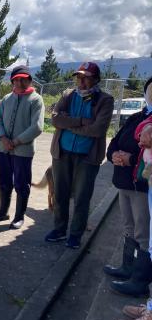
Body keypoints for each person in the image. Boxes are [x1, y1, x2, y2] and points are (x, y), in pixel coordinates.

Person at [45, 62, 114, 249]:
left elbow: (98, 129)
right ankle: (59, 230)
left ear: (95, 80)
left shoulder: (105, 100)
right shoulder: (68, 95)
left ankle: (75, 235)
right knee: (60, 194)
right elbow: (56, 118)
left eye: (86, 78)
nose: (81, 81)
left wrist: (69, 125)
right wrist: (82, 122)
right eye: (79, 77)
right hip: (62, 153)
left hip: (87, 158)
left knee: (82, 197)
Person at [103, 76, 151, 294]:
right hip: (124, 182)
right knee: (128, 226)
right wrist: (114, 154)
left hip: (142, 186)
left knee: (143, 232)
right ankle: (127, 268)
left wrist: (129, 159)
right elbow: (115, 140)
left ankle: (139, 282)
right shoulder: (136, 117)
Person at [0, 65, 44, 229]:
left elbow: (37, 127)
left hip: (22, 151)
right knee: (4, 180)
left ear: (29, 80)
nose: (19, 83)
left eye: (23, 79)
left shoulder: (36, 100)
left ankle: (19, 217)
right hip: (3, 148)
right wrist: (3, 138)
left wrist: (17, 141)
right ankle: (3, 212)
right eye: (16, 79)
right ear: (12, 81)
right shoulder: (6, 99)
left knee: (21, 183)